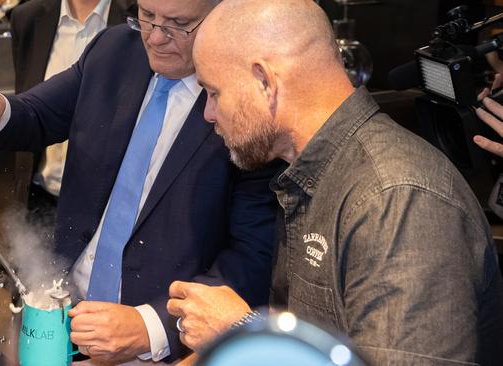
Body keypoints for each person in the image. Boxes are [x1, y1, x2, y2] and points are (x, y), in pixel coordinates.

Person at [0, 0, 279, 363]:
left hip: (160, 344)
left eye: (178, 25)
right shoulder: (115, 48)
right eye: (147, 17)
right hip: (67, 310)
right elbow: (38, 113)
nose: (156, 38)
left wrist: (149, 325)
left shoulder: (250, 100)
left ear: (221, 19)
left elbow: (252, 256)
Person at [166, 0, 503, 365]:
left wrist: (246, 336)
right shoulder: (309, 176)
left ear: (265, 81)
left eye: (214, 93)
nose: (209, 113)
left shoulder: (396, 197)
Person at [10, 0, 136, 229]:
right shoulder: (27, 18)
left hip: (108, 209)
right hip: (38, 195)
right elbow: (29, 106)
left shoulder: (140, 18)